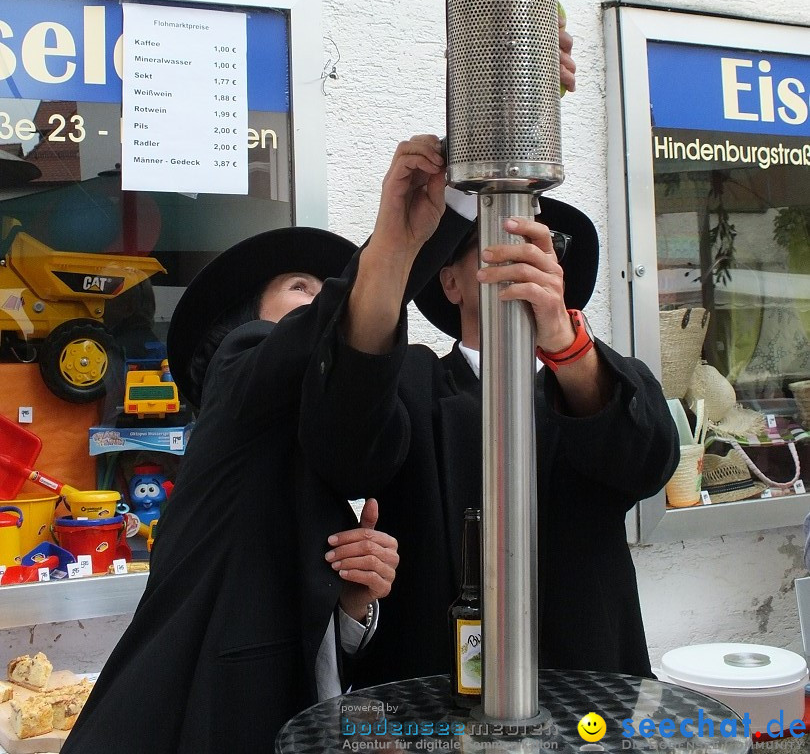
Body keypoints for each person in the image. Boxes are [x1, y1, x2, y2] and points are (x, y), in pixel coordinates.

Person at [62, 135, 455, 754]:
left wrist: (352, 600)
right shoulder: (238, 371)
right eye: (301, 288)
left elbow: (308, 648)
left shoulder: (317, 441)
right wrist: (398, 242)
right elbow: (325, 334)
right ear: (249, 322)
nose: (318, 304)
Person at [302, 193, 680, 686]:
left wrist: (568, 347)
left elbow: (648, 463)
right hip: (433, 700)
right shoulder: (413, 383)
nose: (521, 255)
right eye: (495, 242)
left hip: (589, 692)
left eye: (542, 244)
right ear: (451, 280)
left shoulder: (599, 382)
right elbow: (347, 446)